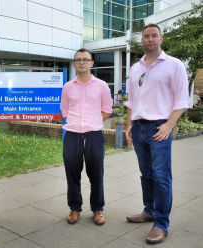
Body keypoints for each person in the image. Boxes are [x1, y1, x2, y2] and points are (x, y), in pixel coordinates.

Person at [124, 23, 189, 244]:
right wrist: (129, 124)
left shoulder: (174, 65)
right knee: (146, 175)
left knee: (162, 177)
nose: (150, 39)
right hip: (139, 127)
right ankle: (149, 210)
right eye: (146, 36)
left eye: (154, 36)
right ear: (141, 41)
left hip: (159, 127)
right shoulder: (135, 67)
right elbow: (131, 100)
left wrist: (169, 125)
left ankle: (161, 223)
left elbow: (182, 100)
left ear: (161, 39)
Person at [60, 48, 113, 226]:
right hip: (72, 136)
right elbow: (65, 110)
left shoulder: (102, 85)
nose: (81, 62)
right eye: (78, 60)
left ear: (91, 63)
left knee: (96, 174)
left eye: (85, 59)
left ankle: (98, 209)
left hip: (94, 135)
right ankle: (75, 209)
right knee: (72, 175)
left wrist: (93, 121)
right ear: (74, 64)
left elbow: (107, 110)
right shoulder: (67, 87)